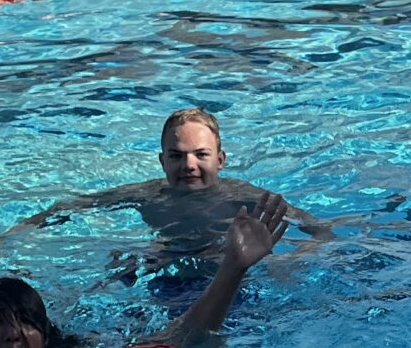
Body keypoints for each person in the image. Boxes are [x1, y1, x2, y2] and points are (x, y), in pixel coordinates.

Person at [0, 192, 291, 348]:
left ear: (47, 335)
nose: (11, 334)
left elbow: (182, 337)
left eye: (25, 321)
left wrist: (233, 268)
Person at [20, 107, 323, 259]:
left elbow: (317, 228)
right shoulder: (147, 196)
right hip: (165, 271)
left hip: (226, 275)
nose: (189, 165)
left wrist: (295, 258)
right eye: (177, 156)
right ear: (162, 161)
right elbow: (70, 207)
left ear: (221, 159)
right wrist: (13, 235)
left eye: (200, 155)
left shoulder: (243, 196)